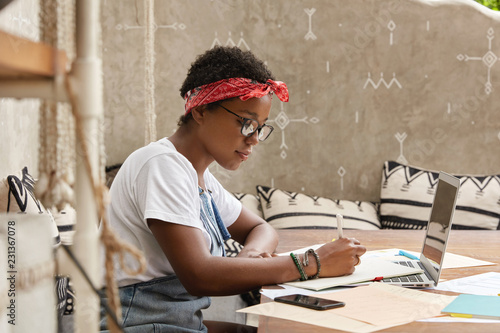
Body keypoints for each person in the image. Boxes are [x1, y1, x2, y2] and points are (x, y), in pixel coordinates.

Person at [99, 46, 366, 333]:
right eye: (247, 123)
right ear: (201, 111)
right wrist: (311, 262)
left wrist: (250, 256)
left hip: (175, 323)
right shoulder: (161, 165)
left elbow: (262, 229)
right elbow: (199, 276)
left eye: (260, 128)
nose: (254, 139)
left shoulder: (200, 177)